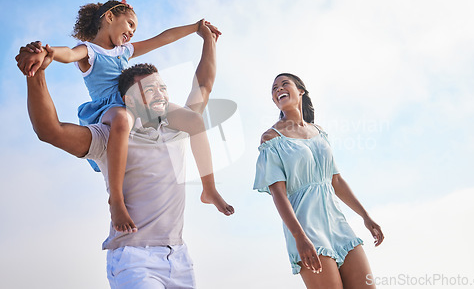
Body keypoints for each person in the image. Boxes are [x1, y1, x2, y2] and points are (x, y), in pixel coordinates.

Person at [16, 22, 232, 288]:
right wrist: (35, 73)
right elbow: (50, 131)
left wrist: (208, 40)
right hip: (134, 259)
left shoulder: (179, 130)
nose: (160, 94)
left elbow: (204, 85)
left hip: (179, 257)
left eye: (162, 87)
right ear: (129, 100)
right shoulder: (109, 137)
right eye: (149, 89)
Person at [254, 73, 384, 289]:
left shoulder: (320, 132)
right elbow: (278, 194)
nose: (278, 89)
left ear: (300, 91)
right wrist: (299, 236)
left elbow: (336, 181)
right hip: (306, 228)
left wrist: (365, 216)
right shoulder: (271, 138)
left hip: (338, 224)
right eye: (274, 88)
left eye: (284, 84)